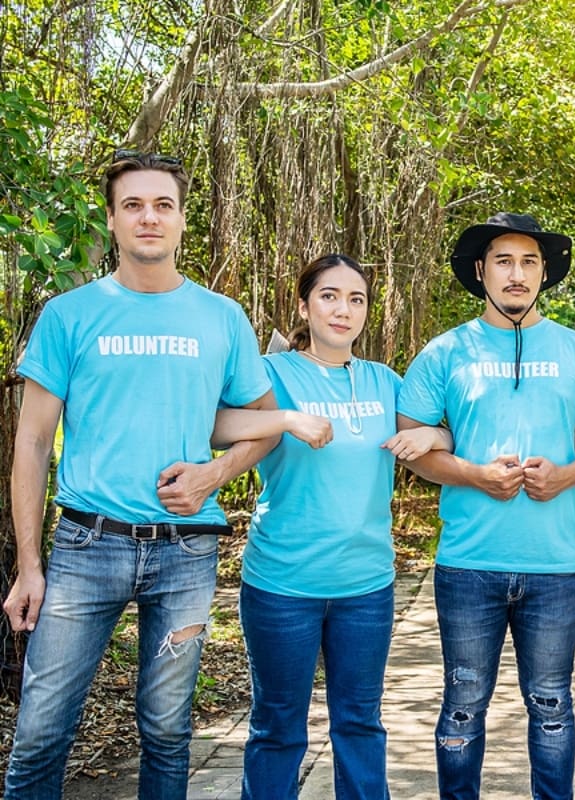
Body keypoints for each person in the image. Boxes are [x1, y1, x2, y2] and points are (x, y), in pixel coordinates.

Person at [3, 151, 275, 799]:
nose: (148, 217)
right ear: (113, 220)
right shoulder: (70, 314)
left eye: (162, 205)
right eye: (133, 205)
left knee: (167, 731)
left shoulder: (222, 317)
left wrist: (214, 474)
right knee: (42, 730)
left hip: (186, 550)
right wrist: (30, 564)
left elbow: (265, 424)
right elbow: (34, 441)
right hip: (82, 550)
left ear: (183, 220)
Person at [396, 212, 575, 799]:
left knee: (552, 708)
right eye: (503, 261)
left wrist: (565, 476)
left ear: (544, 273)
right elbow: (412, 445)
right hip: (468, 562)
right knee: (463, 707)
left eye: (529, 262)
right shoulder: (446, 352)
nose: (516, 274)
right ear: (481, 271)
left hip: (555, 564)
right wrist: (474, 475)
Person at [210, 254, 453, 799]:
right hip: (281, 585)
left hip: (365, 587)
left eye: (356, 299)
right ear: (304, 304)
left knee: (360, 723)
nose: (343, 309)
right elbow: (217, 426)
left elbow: (442, 435)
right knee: (277, 727)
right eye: (329, 296)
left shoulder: (385, 381)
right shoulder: (271, 373)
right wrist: (287, 418)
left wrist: (433, 440)